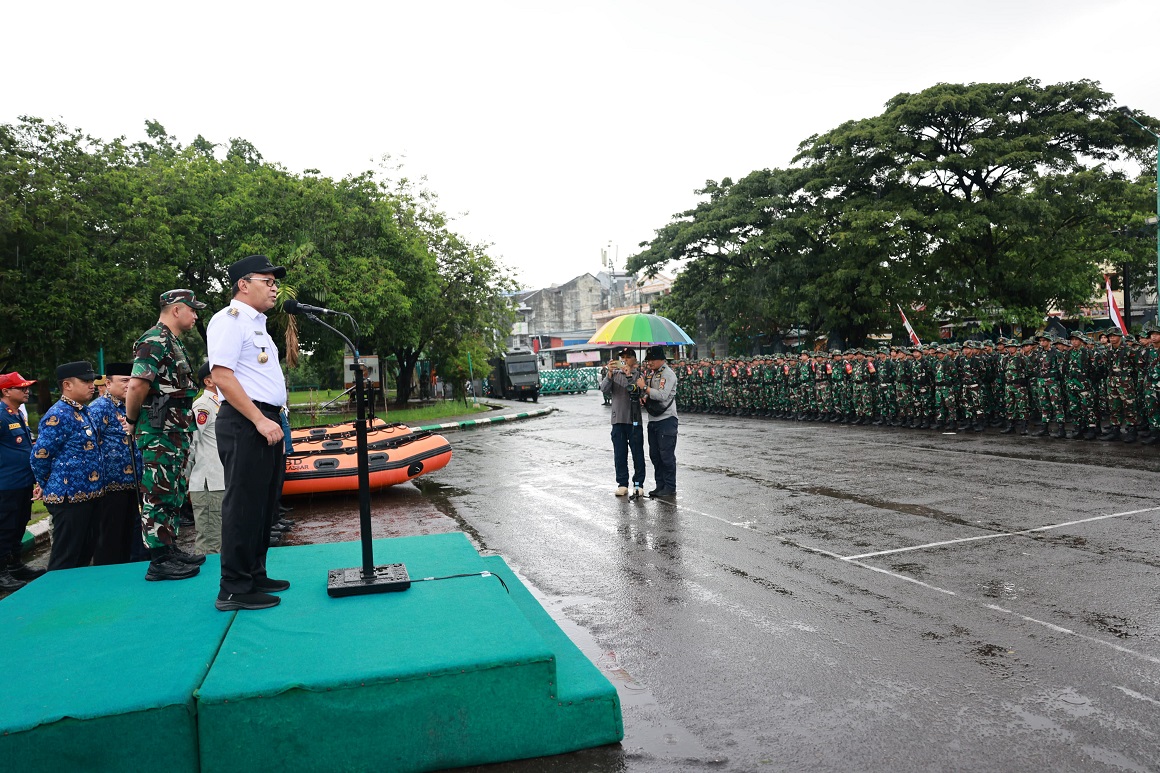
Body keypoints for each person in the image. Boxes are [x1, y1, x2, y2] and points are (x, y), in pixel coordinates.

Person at [207, 254, 291, 611]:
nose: (275, 288)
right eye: (268, 281)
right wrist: (259, 419)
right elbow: (223, 376)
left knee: (264, 504)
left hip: (266, 421)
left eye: (276, 282)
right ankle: (233, 588)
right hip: (246, 422)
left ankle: (254, 573)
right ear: (244, 284)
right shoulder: (229, 320)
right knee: (242, 505)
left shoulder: (258, 325)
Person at [125, 289, 207, 581]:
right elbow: (136, 386)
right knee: (157, 492)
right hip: (159, 429)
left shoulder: (171, 342)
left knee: (172, 490)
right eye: (192, 310)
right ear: (176, 309)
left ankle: (169, 548)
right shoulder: (154, 340)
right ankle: (158, 560)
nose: (195, 316)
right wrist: (132, 421)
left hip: (175, 429)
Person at [30, 361, 105, 571]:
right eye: (86, 381)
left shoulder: (85, 411)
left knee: (84, 553)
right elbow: (40, 456)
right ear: (67, 385)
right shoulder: (58, 415)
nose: (92, 385)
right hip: (68, 497)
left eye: (92, 381)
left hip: (90, 494)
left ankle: (75, 597)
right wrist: (47, 483)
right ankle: (55, 600)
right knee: (65, 557)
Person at [87, 363, 141, 564]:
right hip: (110, 486)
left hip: (133, 482)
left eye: (131, 380)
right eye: (124, 381)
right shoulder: (99, 408)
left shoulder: (133, 405)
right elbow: (91, 444)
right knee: (109, 540)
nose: (129, 385)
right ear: (108, 383)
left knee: (129, 538)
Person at [0, 371, 44, 590]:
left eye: (27, 387)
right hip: (6, 484)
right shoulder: (0, 415)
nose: (27, 391)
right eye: (21, 388)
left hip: (22, 482)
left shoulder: (16, 413)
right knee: (5, 527)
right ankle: (1, 573)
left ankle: (15, 565)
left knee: (19, 525)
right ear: (6, 391)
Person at [187, 363, 226, 554]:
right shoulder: (203, 406)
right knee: (211, 542)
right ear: (208, 381)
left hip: (221, 479)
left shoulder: (222, 403)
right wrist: (185, 476)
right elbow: (191, 443)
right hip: (209, 482)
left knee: (221, 538)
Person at [599, 347, 645, 497]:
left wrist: (629, 375)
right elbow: (604, 389)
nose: (624, 360)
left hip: (634, 420)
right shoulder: (614, 374)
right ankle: (622, 484)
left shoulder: (639, 374)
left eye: (627, 357)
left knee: (637, 453)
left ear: (634, 359)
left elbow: (636, 391)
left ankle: (638, 484)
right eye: (622, 357)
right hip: (617, 419)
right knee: (620, 454)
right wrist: (609, 373)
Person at [636, 346, 678, 498]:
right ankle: (660, 485)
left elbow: (661, 395)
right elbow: (651, 395)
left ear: (661, 359)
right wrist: (644, 397)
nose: (649, 363)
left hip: (666, 420)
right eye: (648, 360)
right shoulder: (653, 374)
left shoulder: (667, 374)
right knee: (655, 455)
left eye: (652, 359)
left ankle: (670, 486)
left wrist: (645, 388)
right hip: (653, 419)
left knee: (666, 455)